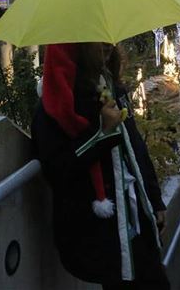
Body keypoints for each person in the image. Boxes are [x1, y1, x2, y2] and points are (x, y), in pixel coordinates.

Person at [32, 43, 170, 289]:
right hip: (100, 235)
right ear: (75, 48)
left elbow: (135, 147)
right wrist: (102, 132)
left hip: (136, 221)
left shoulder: (111, 88)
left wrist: (155, 199)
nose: (107, 44)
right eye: (94, 39)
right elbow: (58, 170)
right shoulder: (55, 107)